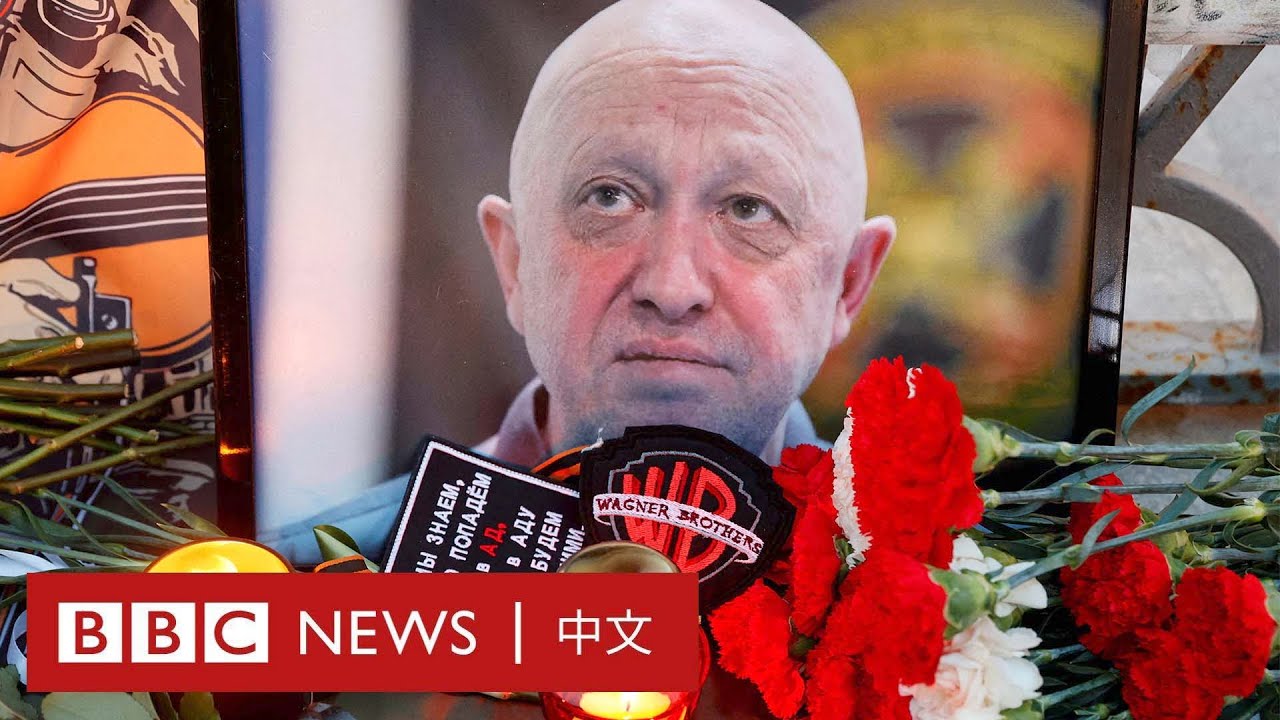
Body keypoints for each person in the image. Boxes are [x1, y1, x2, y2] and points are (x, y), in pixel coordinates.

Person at [262, 0, 895, 565]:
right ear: (515, 262)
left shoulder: (951, 604)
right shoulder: (299, 603)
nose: (672, 288)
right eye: (610, 198)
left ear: (848, 283)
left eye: (749, 209)